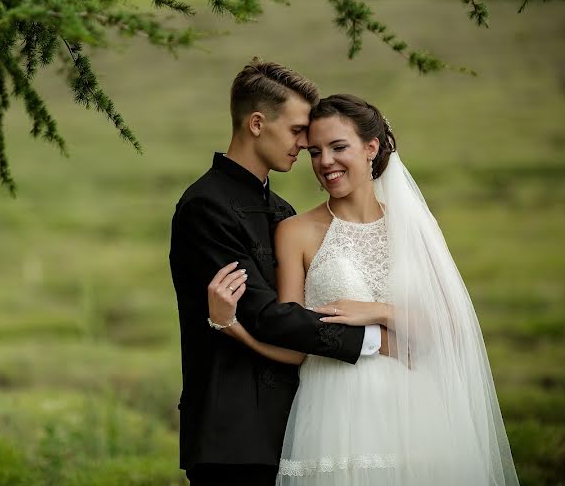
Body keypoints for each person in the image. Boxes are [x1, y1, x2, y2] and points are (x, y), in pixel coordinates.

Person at [210, 94, 519, 485]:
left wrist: (380, 311)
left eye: (339, 147)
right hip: (333, 416)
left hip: (417, 413)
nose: (325, 162)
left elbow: (452, 333)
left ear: (371, 147)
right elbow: (291, 344)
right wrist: (230, 326)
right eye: (315, 152)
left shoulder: (414, 229)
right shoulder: (295, 232)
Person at [169, 61, 390, 486]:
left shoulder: (282, 212)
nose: (305, 143)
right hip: (232, 434)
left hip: (294, 426)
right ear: (256, 123)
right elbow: (265, 315)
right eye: (296, 130)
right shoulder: (205, 207)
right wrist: (375, 337)